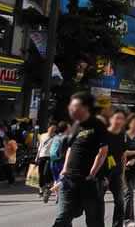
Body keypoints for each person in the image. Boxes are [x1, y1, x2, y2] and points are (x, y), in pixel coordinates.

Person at [52, 92, 109, 227]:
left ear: (86, 107)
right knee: (63, 216)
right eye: (71, 107)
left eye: (75, 106)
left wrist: (93, 173)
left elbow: (103, 151)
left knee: (94, 219)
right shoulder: (76, 125)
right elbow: (71, 148)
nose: (71, 109)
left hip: (89, 181)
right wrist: (65, 169)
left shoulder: (98, 125)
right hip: (70, 179)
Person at [105, 110, 128, 227]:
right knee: (97, 202)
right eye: (117, 118)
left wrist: (122, 175)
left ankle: (117, 225)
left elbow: (123, 155)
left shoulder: (121, 135)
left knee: (120, 201)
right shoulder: (103, 134)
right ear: (111, 119)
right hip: (102, 173)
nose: (119, 121)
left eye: (122, 119)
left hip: (116, 172)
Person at [35, 123, 58, 203]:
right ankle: (41, 190)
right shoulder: (42, 135)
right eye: (51, 128)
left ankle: (47, 188)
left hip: (50, 156)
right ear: (48, 128)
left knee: (47, 173)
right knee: (41, 173)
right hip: (42, 156)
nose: (52, 130)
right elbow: (40, 146)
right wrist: (37, 156)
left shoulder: (56, 137)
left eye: (54, 129)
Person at [48, 122, 69, 189]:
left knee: (56, 179)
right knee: (63, 179)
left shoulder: (55, 137)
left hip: (53, 160)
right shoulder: (65, 138)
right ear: (66, 129)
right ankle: (51, 191)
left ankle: (57, 197)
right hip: (61, 161)